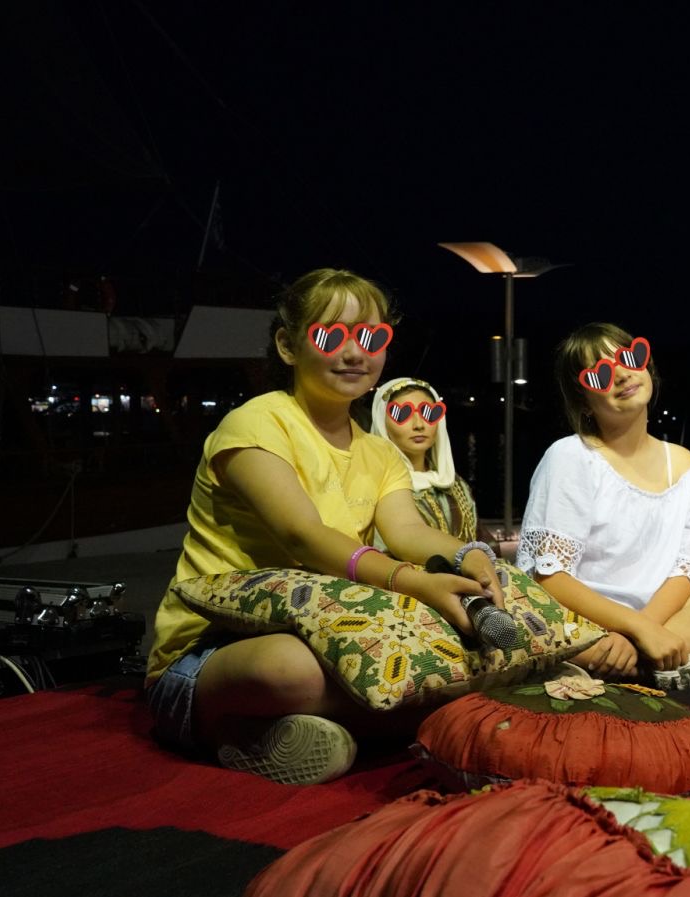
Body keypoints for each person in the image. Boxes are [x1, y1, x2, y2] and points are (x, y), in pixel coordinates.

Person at [145, 269, 512, 785]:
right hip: (213, 651)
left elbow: (407, 532)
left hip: (332, 632)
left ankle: (282, 735)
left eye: (371, 338)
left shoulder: (380, 453)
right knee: (289, 668)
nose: (354, 352)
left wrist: (468, 555)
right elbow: (303, 535)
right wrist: (413, 582)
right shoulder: (256, 424)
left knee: (465, 637)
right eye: (330, 335)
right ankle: (220, 725)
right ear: (288, 346)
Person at [518, 323, 690, 690]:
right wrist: (635, 628)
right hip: (580, 619)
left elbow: (684, 573)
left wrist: (643, 629)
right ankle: (670, 665)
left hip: (660, 618)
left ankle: (632, 664)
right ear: (583, 402)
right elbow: (551, 578)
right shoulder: (571, 456)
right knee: (530, 624)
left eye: (630, 358)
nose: (622, 374)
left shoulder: (685, 466)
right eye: (600, 374)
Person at [370, 377, 516, 557]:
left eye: (429, 413)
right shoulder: (377, 486)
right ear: (382, 422)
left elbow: (482, 541)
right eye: (402, 414)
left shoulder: (454, 484)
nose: (419, 425)